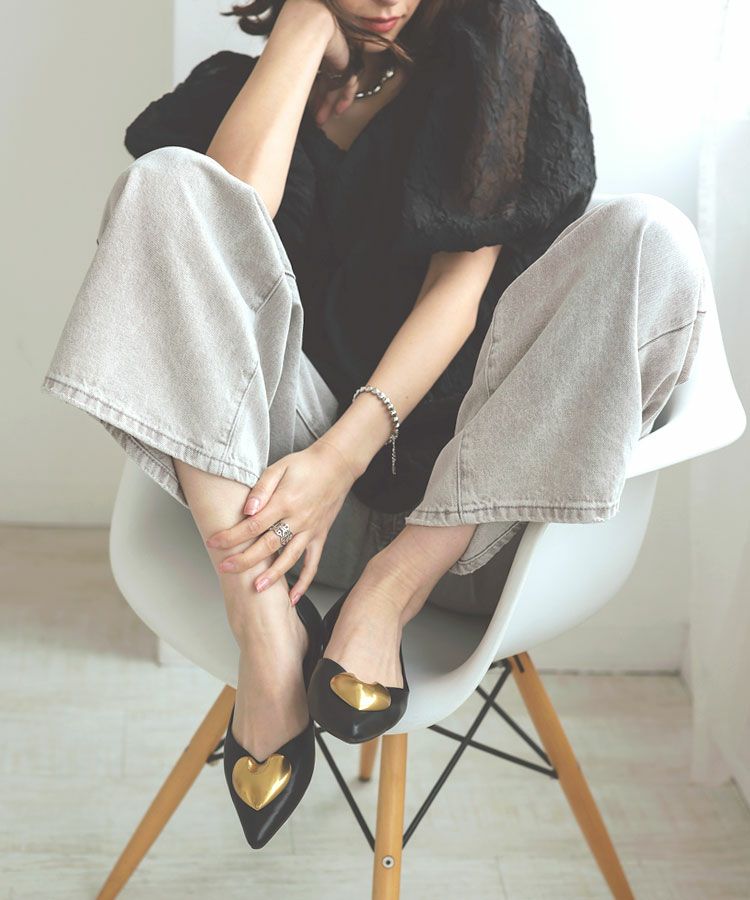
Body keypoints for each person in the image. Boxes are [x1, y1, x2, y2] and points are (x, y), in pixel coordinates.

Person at [40, 0, 709, 848]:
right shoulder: (242, 91)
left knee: (653, 237)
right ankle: (263, 627)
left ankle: (389, 594)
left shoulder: (498, 47)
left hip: (463, 521)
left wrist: (341, 459)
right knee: (168, 181)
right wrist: (297, 35)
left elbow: (457, 293)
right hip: (271, 521)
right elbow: (215, 221)